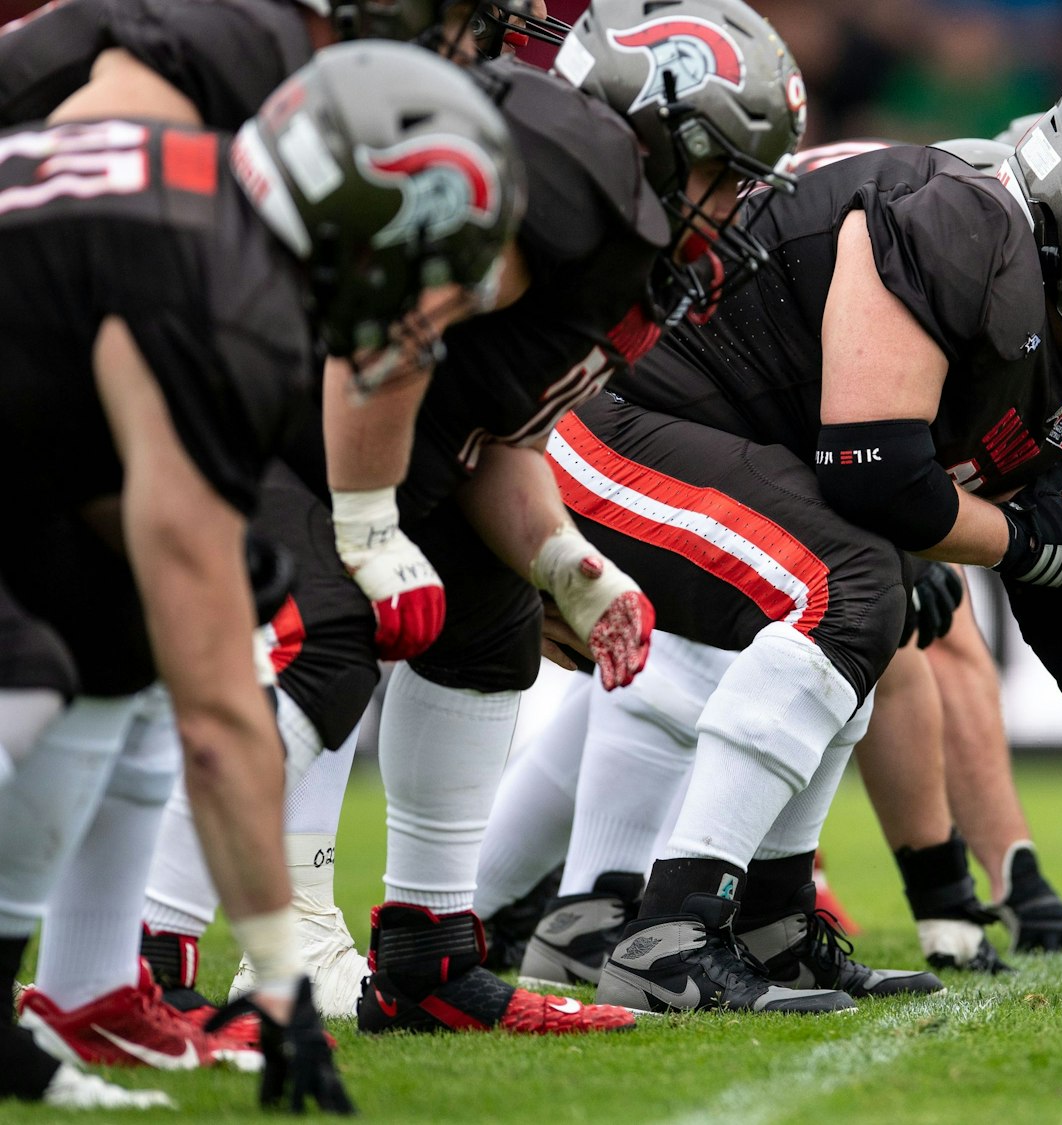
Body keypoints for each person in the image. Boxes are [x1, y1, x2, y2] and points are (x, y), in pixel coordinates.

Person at [544, 83, 1062, 1017]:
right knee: (850, 580)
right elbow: (876, 475)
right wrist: (1019, 538)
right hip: (609, 422)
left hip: (693, 448)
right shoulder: (961, 221)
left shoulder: (1054, 366)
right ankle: (672, 927)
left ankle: (770, 919)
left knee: (870, 583)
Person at [135, 0, 795, 1036]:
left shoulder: (625, 234)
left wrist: (571, 567)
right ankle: (146, 961)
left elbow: (502, 437)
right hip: (242, 395)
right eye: (727, 168)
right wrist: (364, 528)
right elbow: (391, 326)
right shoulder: (570, 171)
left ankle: (428, 963)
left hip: (350, 425)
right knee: (327, 642)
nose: (736, 204)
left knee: (488, 619)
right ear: (653, 136)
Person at [0, 41, 523, 1110]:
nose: (412, 315)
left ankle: (43, 1008)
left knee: (109, 635)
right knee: (36, 675)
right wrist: (284, 979)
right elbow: (218, 715)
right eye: (411, 265)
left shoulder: (177, 187)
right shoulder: (216, 297)